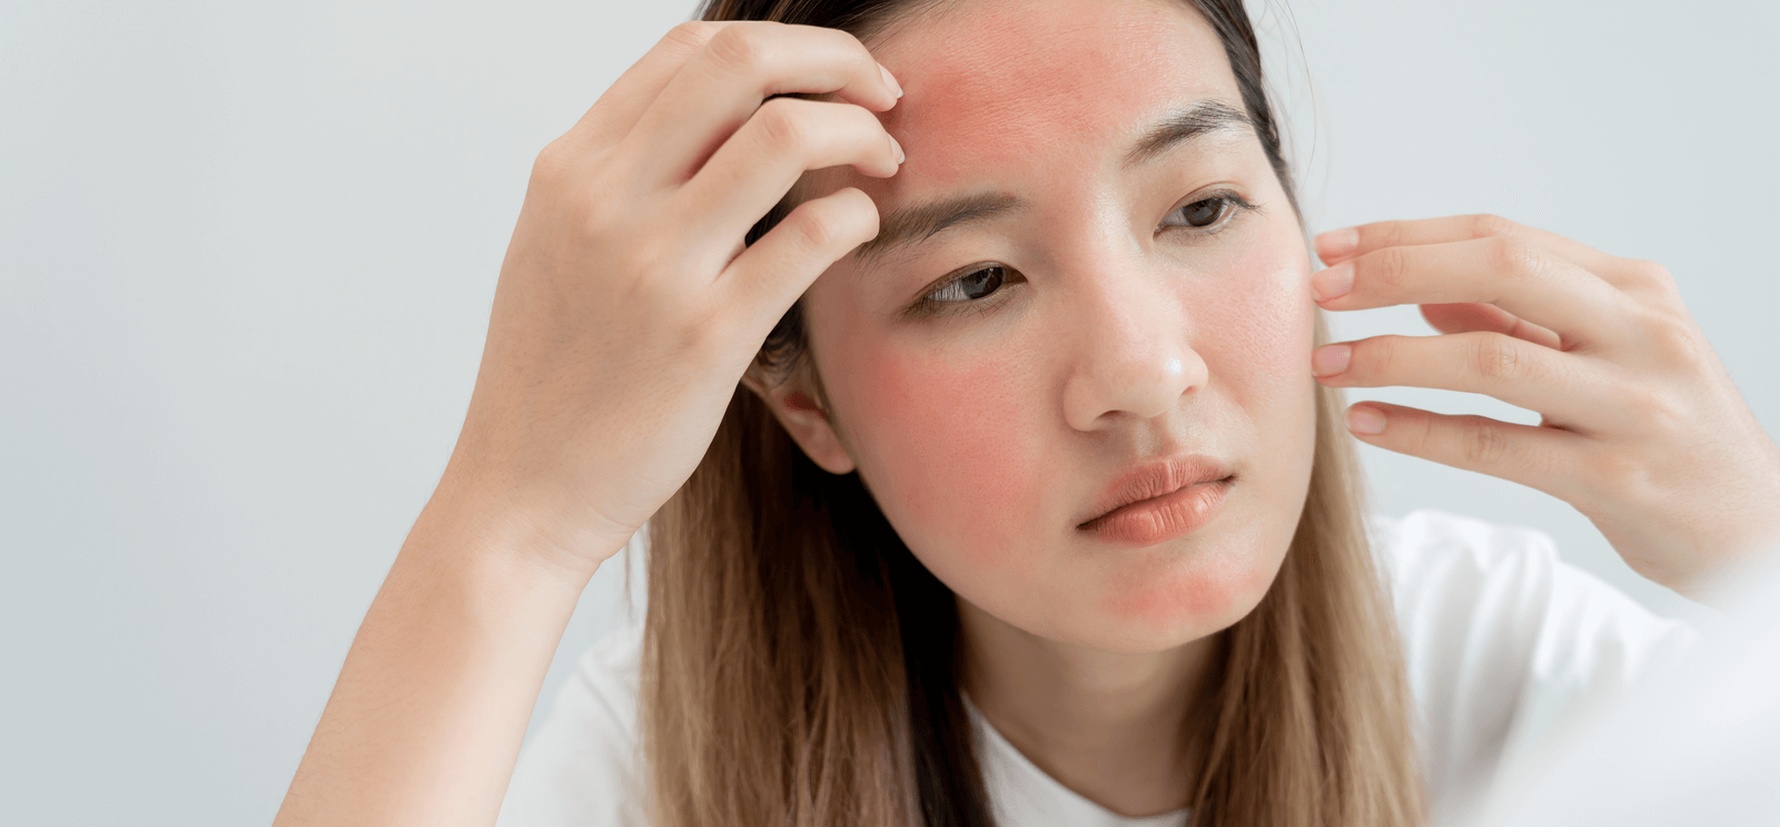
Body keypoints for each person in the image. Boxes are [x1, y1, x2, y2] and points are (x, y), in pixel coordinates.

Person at [271, 0, 1780, 825]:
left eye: (1199, 207)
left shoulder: (1492, 668)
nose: (1141, 368)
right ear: (803, 401)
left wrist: (1755, 545)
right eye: (977, 282)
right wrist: (513, 520)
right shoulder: (658, 775)